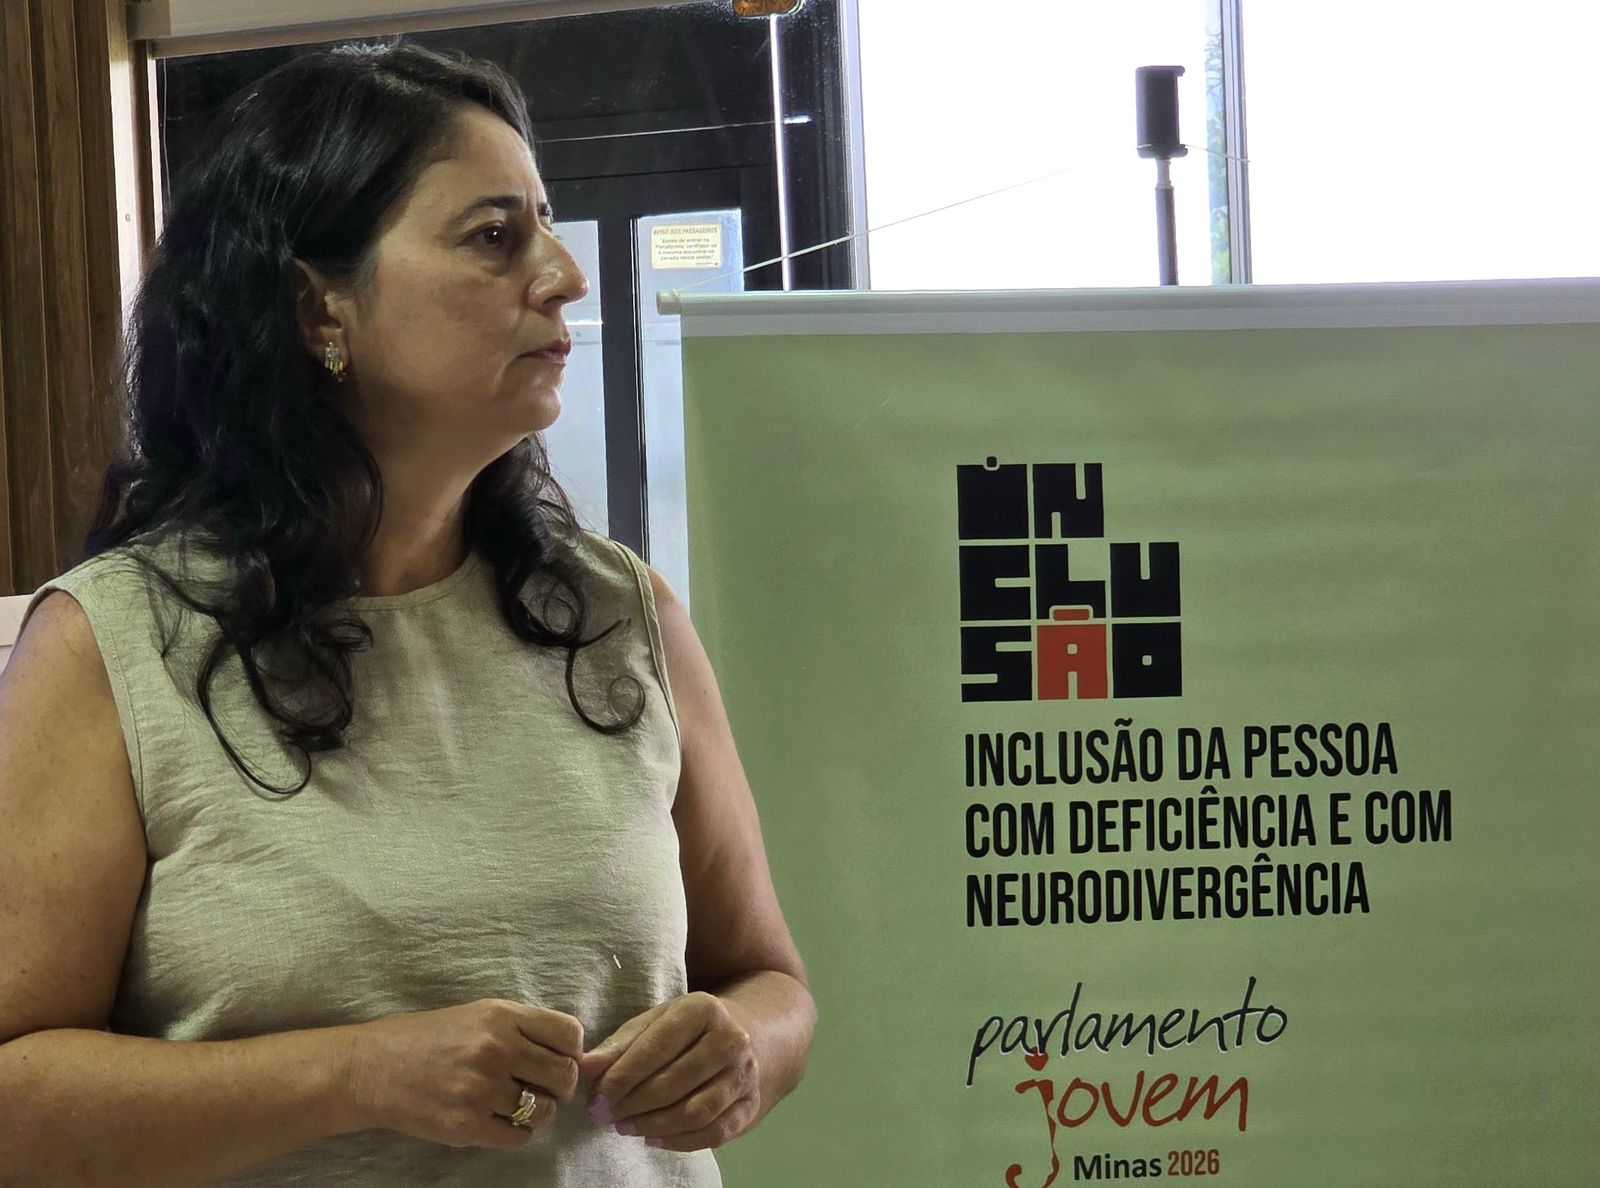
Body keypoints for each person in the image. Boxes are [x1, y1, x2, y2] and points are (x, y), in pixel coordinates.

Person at [0, 41, 813, 1186]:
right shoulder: (109, 644)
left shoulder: (622, 611)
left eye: (544, 225)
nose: (564, 276)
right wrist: (354, 1076)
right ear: (315, 306)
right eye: (493, 237)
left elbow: (769, 983)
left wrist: (740, 1051)